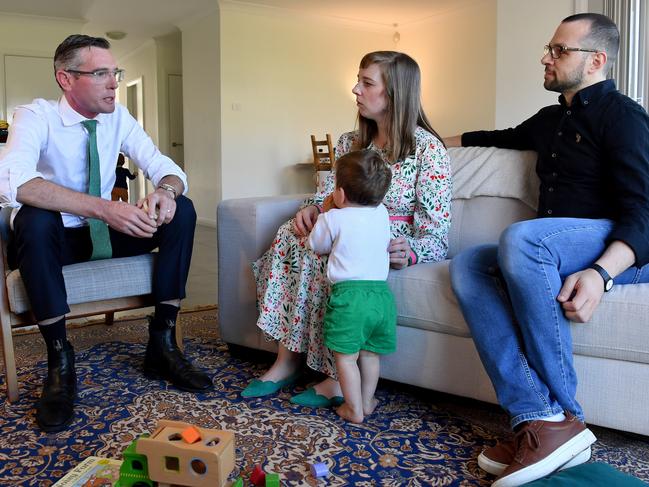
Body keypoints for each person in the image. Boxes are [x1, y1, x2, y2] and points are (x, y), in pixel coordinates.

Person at [445, 13, 649, 487]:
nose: (546, 57)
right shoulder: (551, 119)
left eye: (559, 50)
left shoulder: (625, 117)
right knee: (470, 263)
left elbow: (645, 211)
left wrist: (601, 273)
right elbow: (494, 139)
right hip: (553, 247)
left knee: (521, 237)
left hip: (616, 246)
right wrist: (425, 143)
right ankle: (537, 415)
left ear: (596, 60)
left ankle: (565, 419)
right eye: (549, 48)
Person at [0, 35, 213, 433]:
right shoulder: (35, 115)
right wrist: (105, 208)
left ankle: (162, 344)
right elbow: (16, 183)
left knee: (181, 209)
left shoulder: (118, 116)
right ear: (66, 78)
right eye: (100, 73)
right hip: (55, 241)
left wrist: (164, 192)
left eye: (114, 72)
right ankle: (60, 362)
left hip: (105, 232)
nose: (113, 82)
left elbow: (165, 165)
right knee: (34, 217)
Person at [244, 51, 452, 407]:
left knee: (332, 257)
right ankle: (286, 359)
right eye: (358, 80)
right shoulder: (348, 143)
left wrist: (413, 249)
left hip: (381, 241)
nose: (355, 90)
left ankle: (337, 377)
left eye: (367, 83)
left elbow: (437, 235)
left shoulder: (428, 150)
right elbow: (327, 196)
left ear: (395, 93)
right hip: (340, 228)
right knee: (290, 235)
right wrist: (311, 209)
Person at [307, 149, 396, 423]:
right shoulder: (382, 213)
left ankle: (353, 408)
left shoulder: (332, 218)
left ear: (341, 194)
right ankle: (367, 402)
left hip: (350, 298)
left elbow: (315, 245)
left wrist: (326, 210)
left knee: (346, 358)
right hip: (382, 297)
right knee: (370, 355)